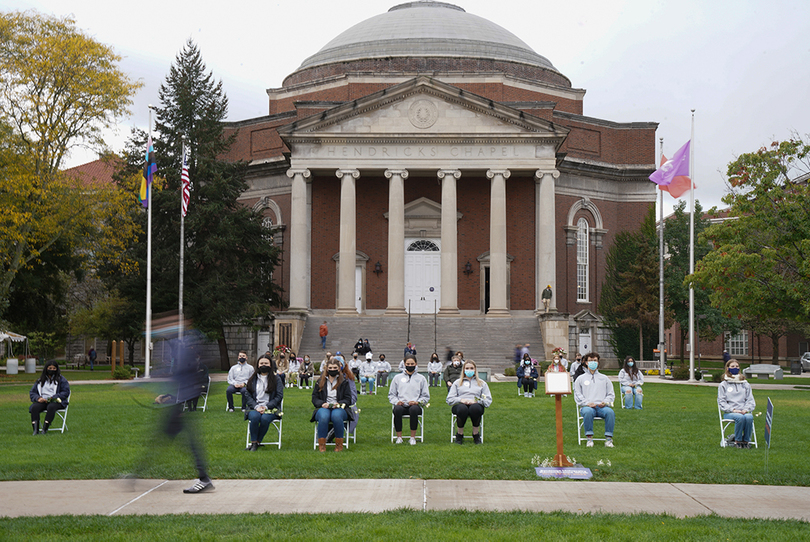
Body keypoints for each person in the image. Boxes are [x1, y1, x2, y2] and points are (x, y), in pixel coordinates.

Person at [311, 359, 354, 452]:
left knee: (336, 416)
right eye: (330, 368)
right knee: (323, 416)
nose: (332, 369)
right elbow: (314, 398)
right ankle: (322, 445)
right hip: (324, 407)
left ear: (339, 369)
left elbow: (348, 399)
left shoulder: (344, 382)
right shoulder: (320, 381)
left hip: (339, 408)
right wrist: (322, 404)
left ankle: (339, 445)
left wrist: (339, 403)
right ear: (327, 368)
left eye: (335, 368)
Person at [574, 352, 615, 447]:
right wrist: (587, 403)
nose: (593, 362)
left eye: (595, 360)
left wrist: (605, 402)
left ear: (598, 363)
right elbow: (577, 394)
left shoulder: (604, 378)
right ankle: (589, 439)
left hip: (601, 407)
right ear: (586, 362)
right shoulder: (580, 379)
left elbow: (611, 394)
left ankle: (608, 439)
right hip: (587, 407)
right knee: (588, 412)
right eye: (590, 361)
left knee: (610, 412)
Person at [447, 360, 492, 444]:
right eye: (467, 368)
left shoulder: (482, 383)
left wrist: (477, 401)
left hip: (476, 404)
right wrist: (461, 400)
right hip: (460, 404)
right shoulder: (457, 383)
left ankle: (476, 434)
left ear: (475, 369)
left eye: (471, 368)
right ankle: (459, 434)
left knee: (475, 409)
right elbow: (449, 399)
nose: (469, 370)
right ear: (463, 369)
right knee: (462, 409)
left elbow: (488, 400)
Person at [244, 356, 284, 451]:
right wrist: (256, 406)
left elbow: (279, 396)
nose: (263, 365)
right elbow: (247, 395)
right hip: (255, 407)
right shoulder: (252, 379)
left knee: (265, 418)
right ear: (258, 365)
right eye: (261, 363)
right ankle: (253, 443)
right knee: (254, 417)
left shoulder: (276, 379)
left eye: (266, 363)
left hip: (271, 408)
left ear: (270, 365)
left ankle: (258, 441)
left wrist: (266, 407)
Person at [389, 355, 429, 445]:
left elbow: (426, 396)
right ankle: (399, 437)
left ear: (416, 364)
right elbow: (391, 394)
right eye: (408, 364)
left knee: (414, 410)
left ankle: (412, 437)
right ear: (404, 364)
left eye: (412, 364)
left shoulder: (421, 378)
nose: (410, 365)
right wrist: (396, 402)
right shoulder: (397, 378)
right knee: (397, 410)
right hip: (401, 405)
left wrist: (417, 402)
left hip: (415, 405)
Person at [718, 359, 756, 448]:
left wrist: (745, 409)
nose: (735, 368)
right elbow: (721, 401)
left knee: (749, 417)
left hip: (744, 411)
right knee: (739, 418)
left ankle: (746, 441)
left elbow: (750, 399)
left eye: (737, 366)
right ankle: (738, 441)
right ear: (727, 368)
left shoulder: (745, 383)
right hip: (730, 412)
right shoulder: (723, 384)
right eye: (732, 366)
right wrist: (734, 410)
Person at [29, 360, 70, 435]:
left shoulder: (62, 380)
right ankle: (35, 430)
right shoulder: (40, 380)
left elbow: (66, 392)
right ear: (46, 369)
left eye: (54, 368)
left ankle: (45, 429)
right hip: (43, 400)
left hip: (56, 401)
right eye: (50, 368)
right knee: (34, 407)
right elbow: (32, 392)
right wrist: (38, 398)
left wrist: (54, 397)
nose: (52, 370)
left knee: (51, 406)